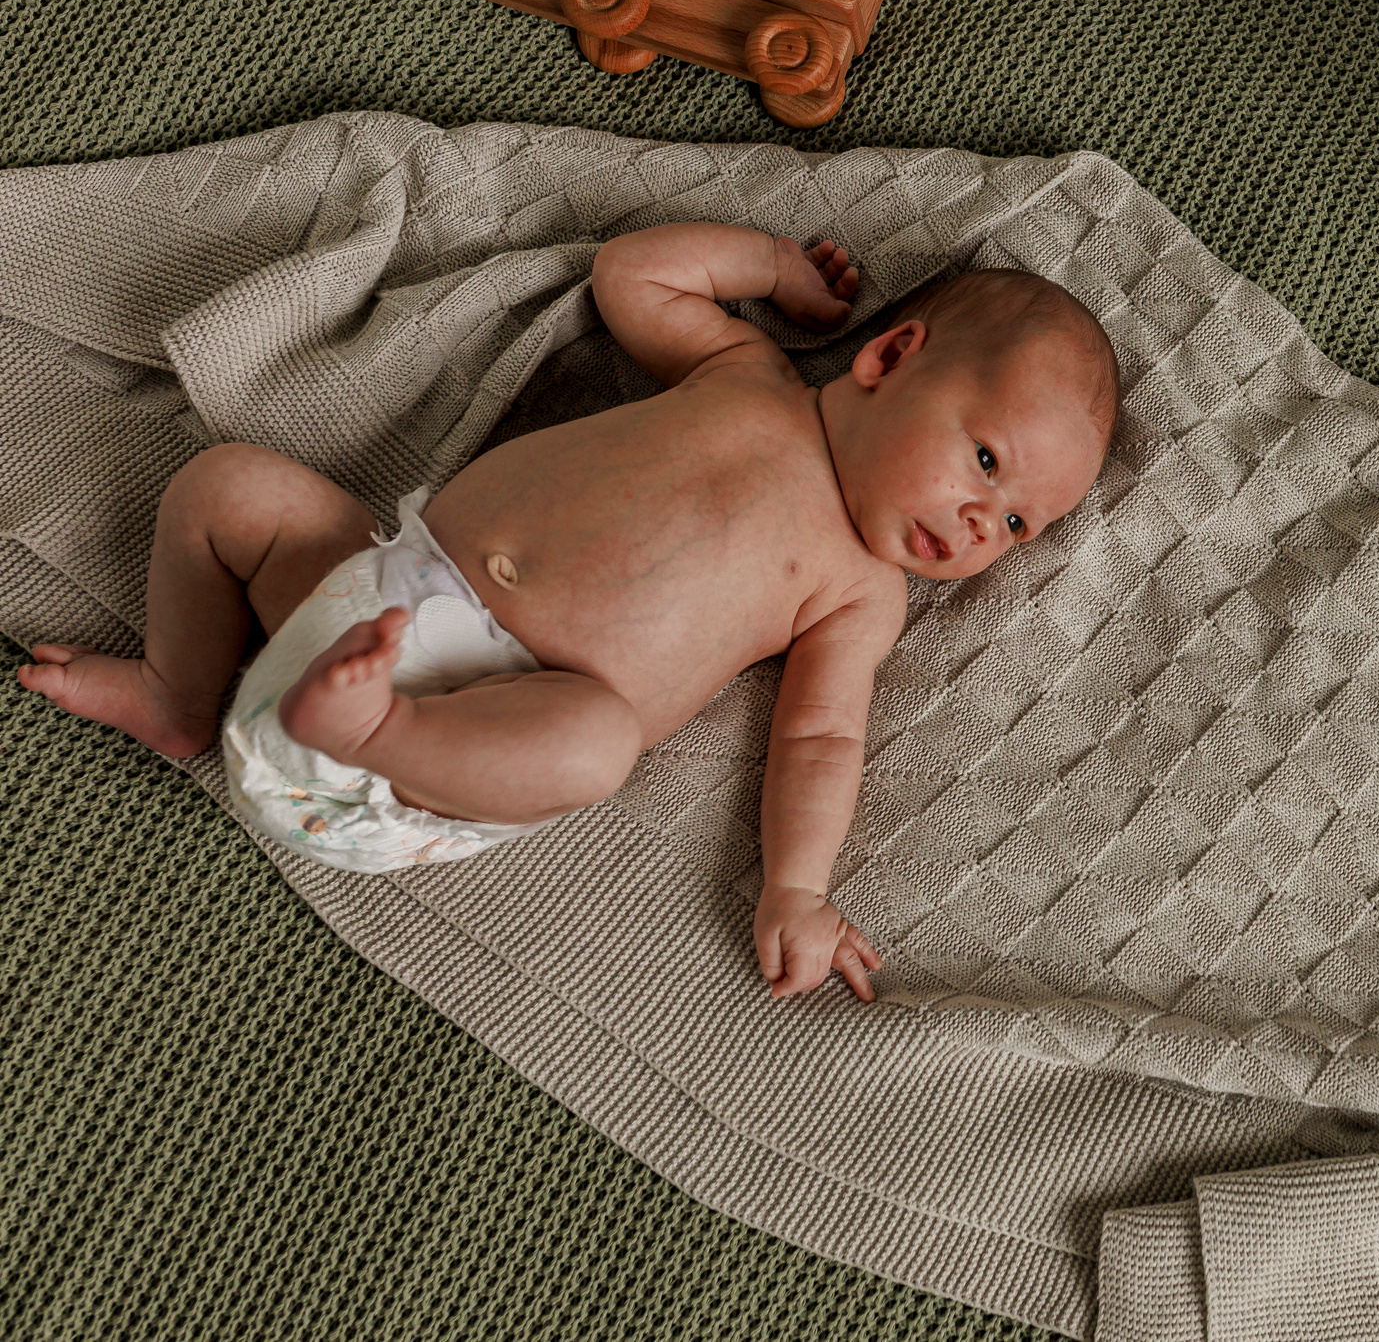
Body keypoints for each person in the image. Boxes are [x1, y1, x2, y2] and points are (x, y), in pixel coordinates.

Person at [14, 227, 1119, 999]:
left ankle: (377, 729)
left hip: (461, 747)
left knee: (598, 744)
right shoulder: (743, 369)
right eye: (987, 463)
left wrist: (797, 888)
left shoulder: (858, 591)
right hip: (369, 600)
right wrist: (774, 268)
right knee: (227, 488)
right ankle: (178, 694)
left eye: (1019, 524)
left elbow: (822, 737)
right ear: (888, 356)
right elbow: (633, 275)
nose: (982, 525)